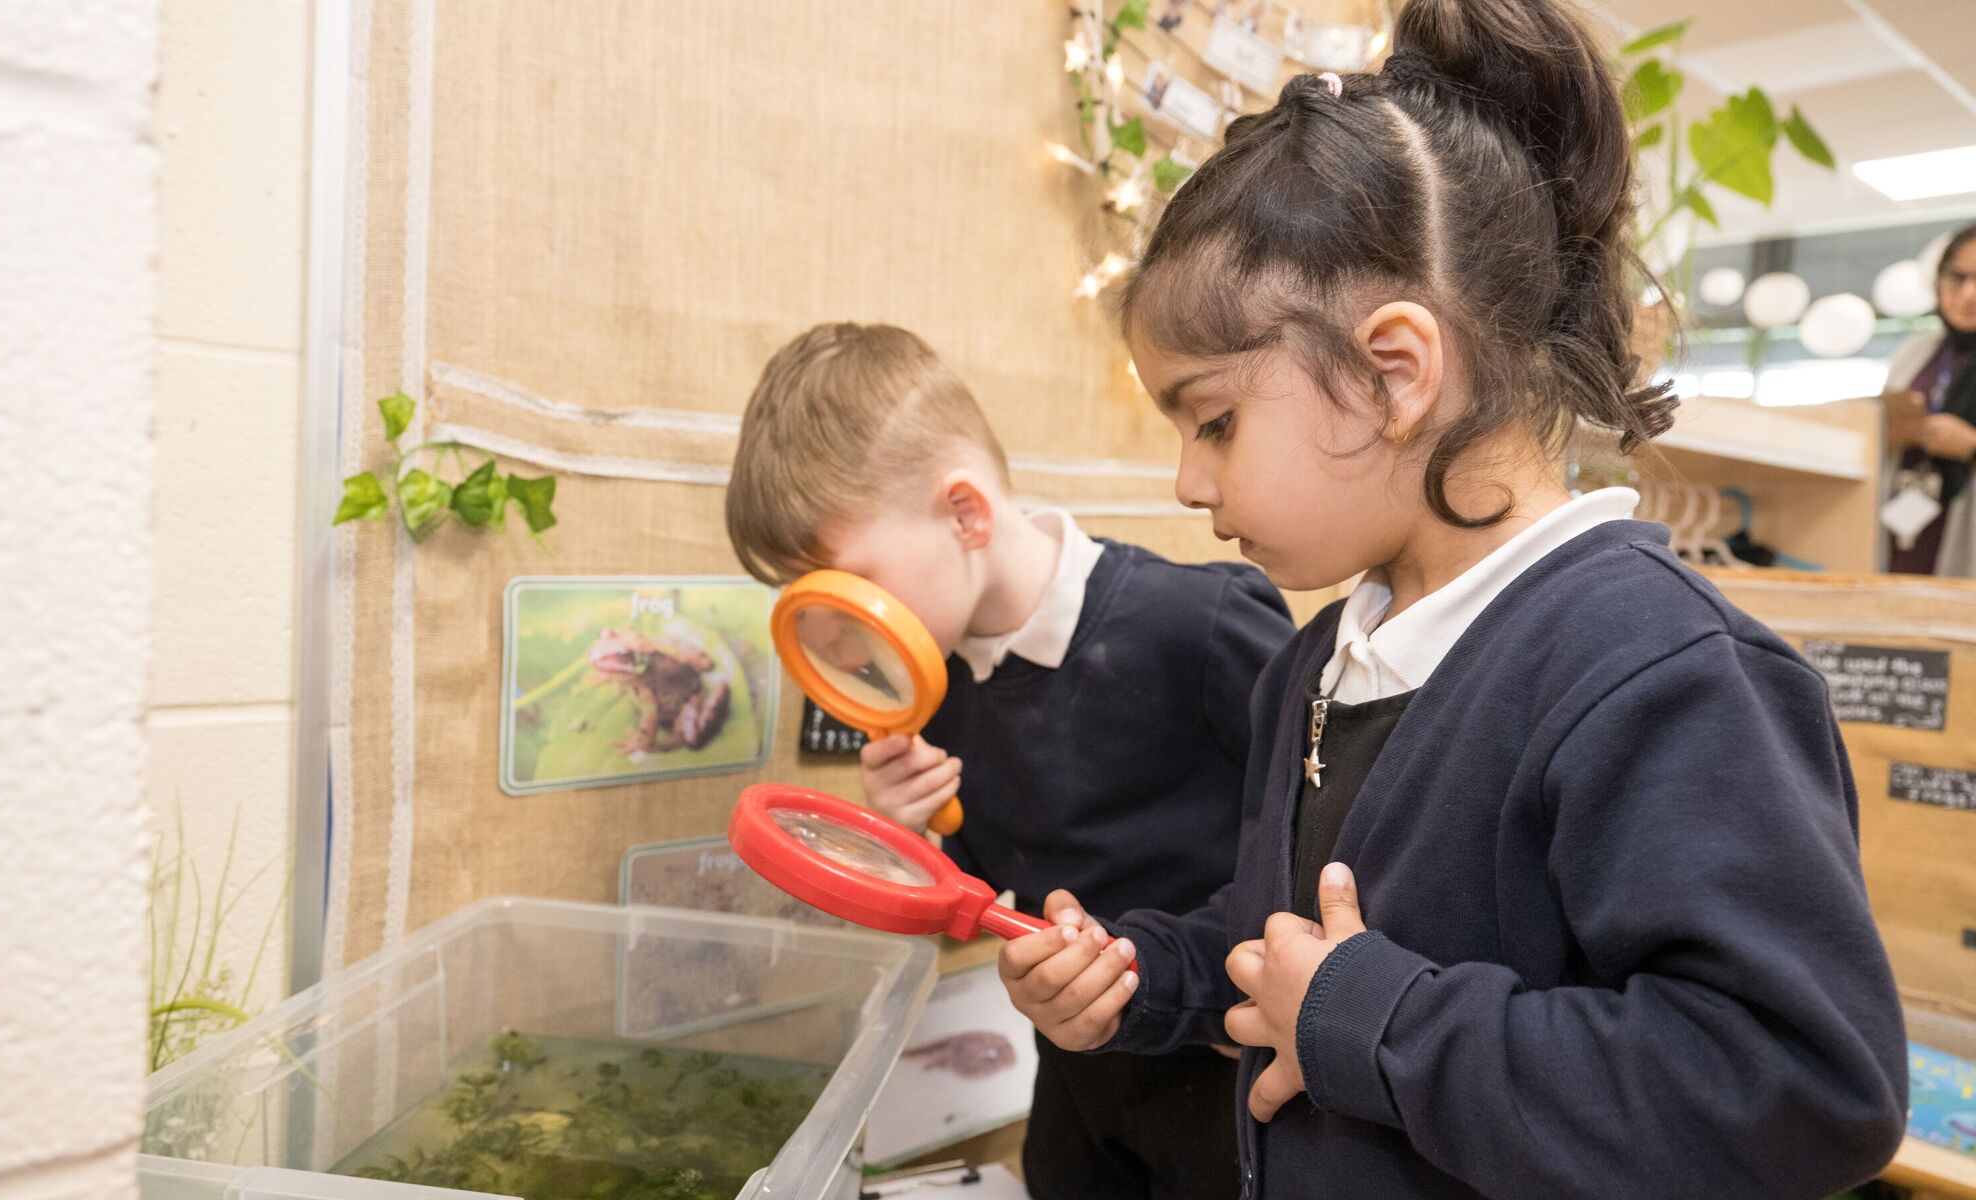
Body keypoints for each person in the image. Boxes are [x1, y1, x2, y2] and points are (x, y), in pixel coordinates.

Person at [994, 0, 1910, 1196]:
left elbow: (1797, 1089)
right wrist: (1141, 975)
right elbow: (1285, 945)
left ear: (1392, 374)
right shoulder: (1314, 661)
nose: (1186, 482)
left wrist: (1373, 1023)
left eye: (1212, 421)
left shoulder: (1657, 671)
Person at [724, 322, 1294, 1200]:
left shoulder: (1200, 625)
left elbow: (1322, 831)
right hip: (1075, 1072)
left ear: (965, 513)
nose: (834, 641)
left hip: (1227, 1066)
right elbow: (979, 895)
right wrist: (913, 838)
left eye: (846, 590)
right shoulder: (939, 685)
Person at [1883, 221, 1976, 577]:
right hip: (1904, 534)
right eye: (1957, 277)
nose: (1968, 294)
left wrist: (1970, 446)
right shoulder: (1916, 352)